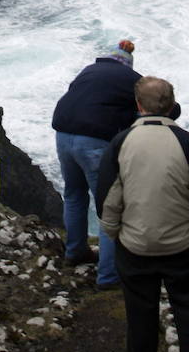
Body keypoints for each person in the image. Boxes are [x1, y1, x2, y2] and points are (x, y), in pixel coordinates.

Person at [97, 76, 189, 352]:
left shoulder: (121, 143)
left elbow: (108, 200)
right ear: (171, 104)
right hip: (183, 247)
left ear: (138, 105)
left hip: (135, 247)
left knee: (140, 313)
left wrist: (116, 235)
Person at [51, 38, 140, 283]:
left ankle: (75, 251)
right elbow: (158, 106)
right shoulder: (130, 79)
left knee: (74, 194)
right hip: (92, 141)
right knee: (109, 205)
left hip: (63, 135)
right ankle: (109, 275)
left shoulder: (88, 71)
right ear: (127, 65)